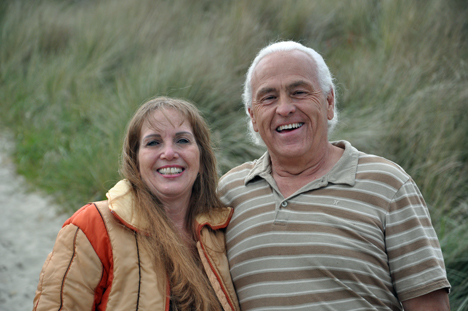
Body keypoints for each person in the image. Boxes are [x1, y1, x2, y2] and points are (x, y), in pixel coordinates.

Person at [217, 41, 451, 311]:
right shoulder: (229, 193)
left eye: (299, 92)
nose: (284, 109)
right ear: (253, 117)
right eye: (268, 97)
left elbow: (430, 306)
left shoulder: (388, 185)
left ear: (329, 101)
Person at [33, 97, 240, 311]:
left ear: (202, 161)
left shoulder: (225, 231)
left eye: (182, 140)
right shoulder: (92, 226)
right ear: (136, 162)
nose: (169, 153)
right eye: (153, 142)